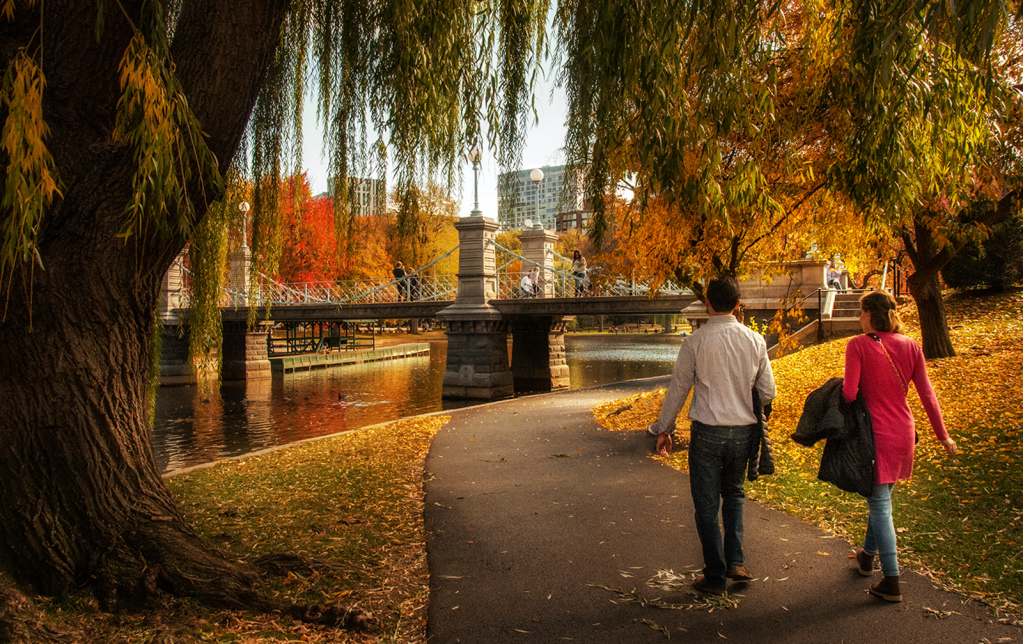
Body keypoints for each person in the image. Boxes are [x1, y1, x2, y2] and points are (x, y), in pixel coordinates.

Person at [647, 275, 776, 595]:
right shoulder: (755, 340)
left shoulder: (695, 342)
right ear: (737, 304)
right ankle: (737, 561)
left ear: (707, 304)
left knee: (706, 504)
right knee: (734, 494)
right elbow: (768, 391)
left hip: (707, 433)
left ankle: (715, 575)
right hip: (743, 433)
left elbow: (678, 389)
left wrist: (665, 429)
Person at [842, 290, 956, 602]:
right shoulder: (911, 345)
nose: (859, 318)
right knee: (881, 498)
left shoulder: (858, 346)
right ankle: (867, 555)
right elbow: (927, 394)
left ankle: (891, 579)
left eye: (861, 312)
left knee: (879, 504)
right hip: (904, 434)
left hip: (874, 436)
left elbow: (850, 394)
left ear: (868, 314)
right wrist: (943, 435)